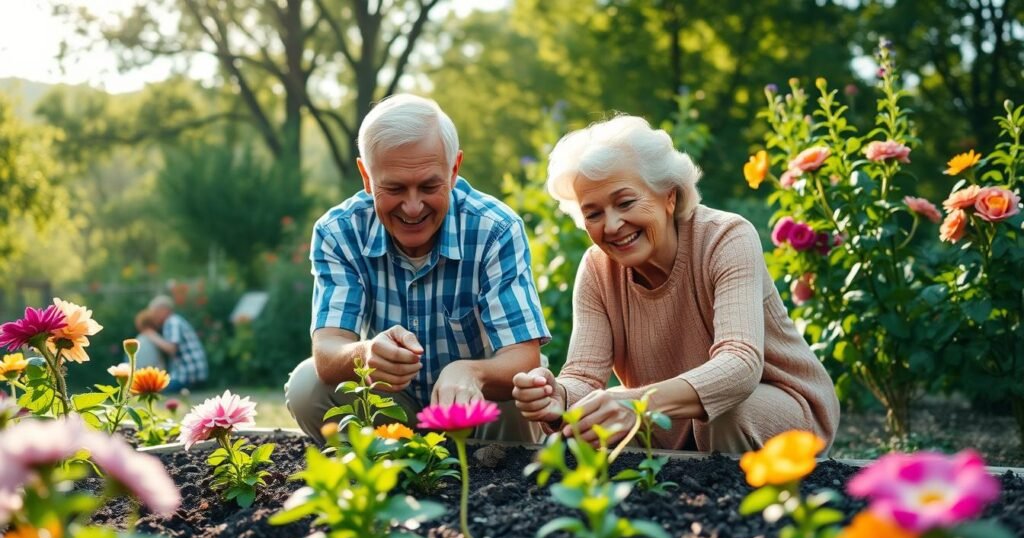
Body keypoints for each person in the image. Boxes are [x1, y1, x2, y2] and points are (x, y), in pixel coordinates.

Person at [512, 115, 840, 452]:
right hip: (668, 421)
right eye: (593, 213)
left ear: (668, 196)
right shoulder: (597, 268)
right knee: (596, 433)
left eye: (625, 203)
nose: (611, 225)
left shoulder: (726, 238)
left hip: (780, 407)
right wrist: (559, 396)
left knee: (724, 413)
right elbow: (583, 375)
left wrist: (634, 401)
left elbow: (741, 363)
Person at [285, 94, 550, 444]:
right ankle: (388, 475)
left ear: (454, 170)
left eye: (429, 186)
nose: (412, 207)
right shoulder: (339, 231)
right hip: (393, 410)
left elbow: (524, 356)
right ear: (366, 176)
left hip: (480, 411)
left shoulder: (494, 229)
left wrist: (471, 372)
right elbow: (328, 350)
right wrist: (365, 354)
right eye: (394, 188)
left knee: (525, 385)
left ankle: (503, 480)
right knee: (307, 385)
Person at [141, 295, 209, 393]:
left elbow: (172, 349)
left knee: (155, 391)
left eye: (154, 312)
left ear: (164, 310)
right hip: (195, 373)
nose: (153, 317)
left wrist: (151, 335)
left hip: (188, 375)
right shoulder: (176, 320)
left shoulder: (172, 322)